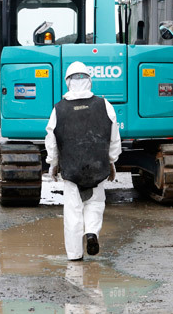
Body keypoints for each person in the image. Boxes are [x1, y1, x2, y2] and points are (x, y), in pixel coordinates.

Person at [45, 61, 121, 261]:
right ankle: (92, 233)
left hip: (71, 169)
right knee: (95, 203)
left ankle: (74, 255)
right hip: (97, 167)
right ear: (89, 80)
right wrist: (112, 161)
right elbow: (114, 138)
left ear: (68, 82)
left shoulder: (58, 109)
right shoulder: (104, 105)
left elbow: (51, 141)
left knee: (73, 211)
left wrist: (53, 164)